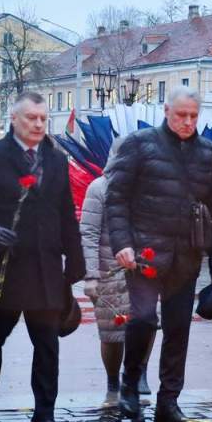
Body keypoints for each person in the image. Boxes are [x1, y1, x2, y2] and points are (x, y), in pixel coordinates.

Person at [0, 91, 85, 422]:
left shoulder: (56, 160)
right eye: (32, 118)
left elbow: (64, 212)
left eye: (43, 118)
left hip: (45, 269)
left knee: (47, 343)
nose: (39, 124)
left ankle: (44, 414)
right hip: (6, 268)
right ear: (14, 119)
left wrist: (75, 259)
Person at [105, 85, 212, 422]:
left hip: (186, 255)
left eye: (193, 116)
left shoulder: (208, 152)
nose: (188, 122)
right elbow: (116, 198)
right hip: (144, 254)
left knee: (178, 330)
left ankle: (168, 401)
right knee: (144, 318)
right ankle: (130, 382)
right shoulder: (139, 145)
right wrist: (122, 243)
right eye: (181, 115)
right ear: (166, 111)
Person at [81, 171, 155, 407]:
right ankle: (113, 383)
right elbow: (89, 234)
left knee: (148, 322)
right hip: (110, 272)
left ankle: (136, 376)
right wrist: (91, 275)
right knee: (112, 333)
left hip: (143, 269)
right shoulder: (99, 188)